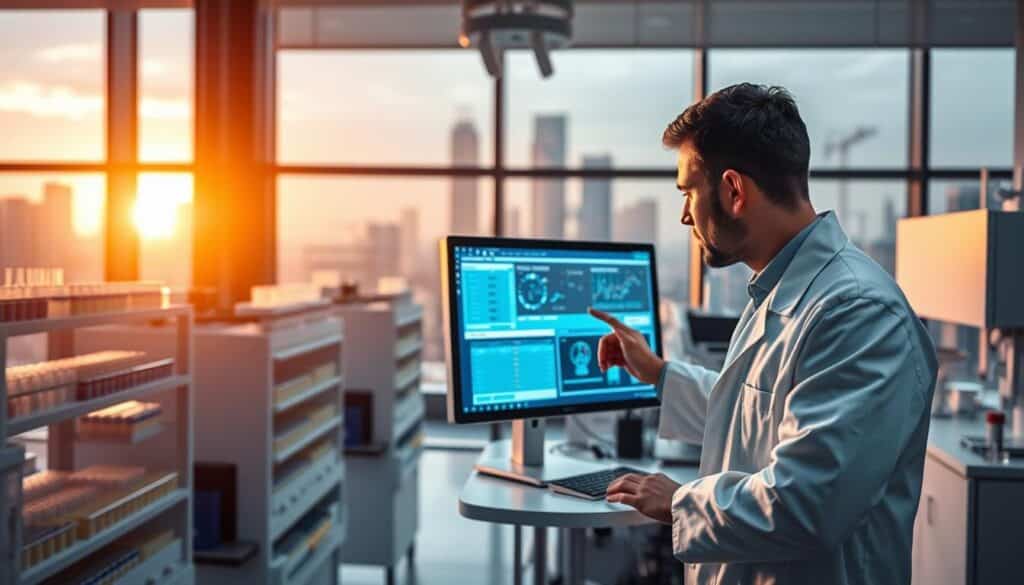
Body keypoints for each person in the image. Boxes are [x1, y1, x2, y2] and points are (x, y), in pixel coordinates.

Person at [588, 83, 938, 585]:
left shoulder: (860, 312)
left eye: (688, 192)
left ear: (734, 191)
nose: (684, 215)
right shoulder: (780, 289)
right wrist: (659, 374)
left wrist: (680, 502)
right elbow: (754, 415)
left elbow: (808, 503)